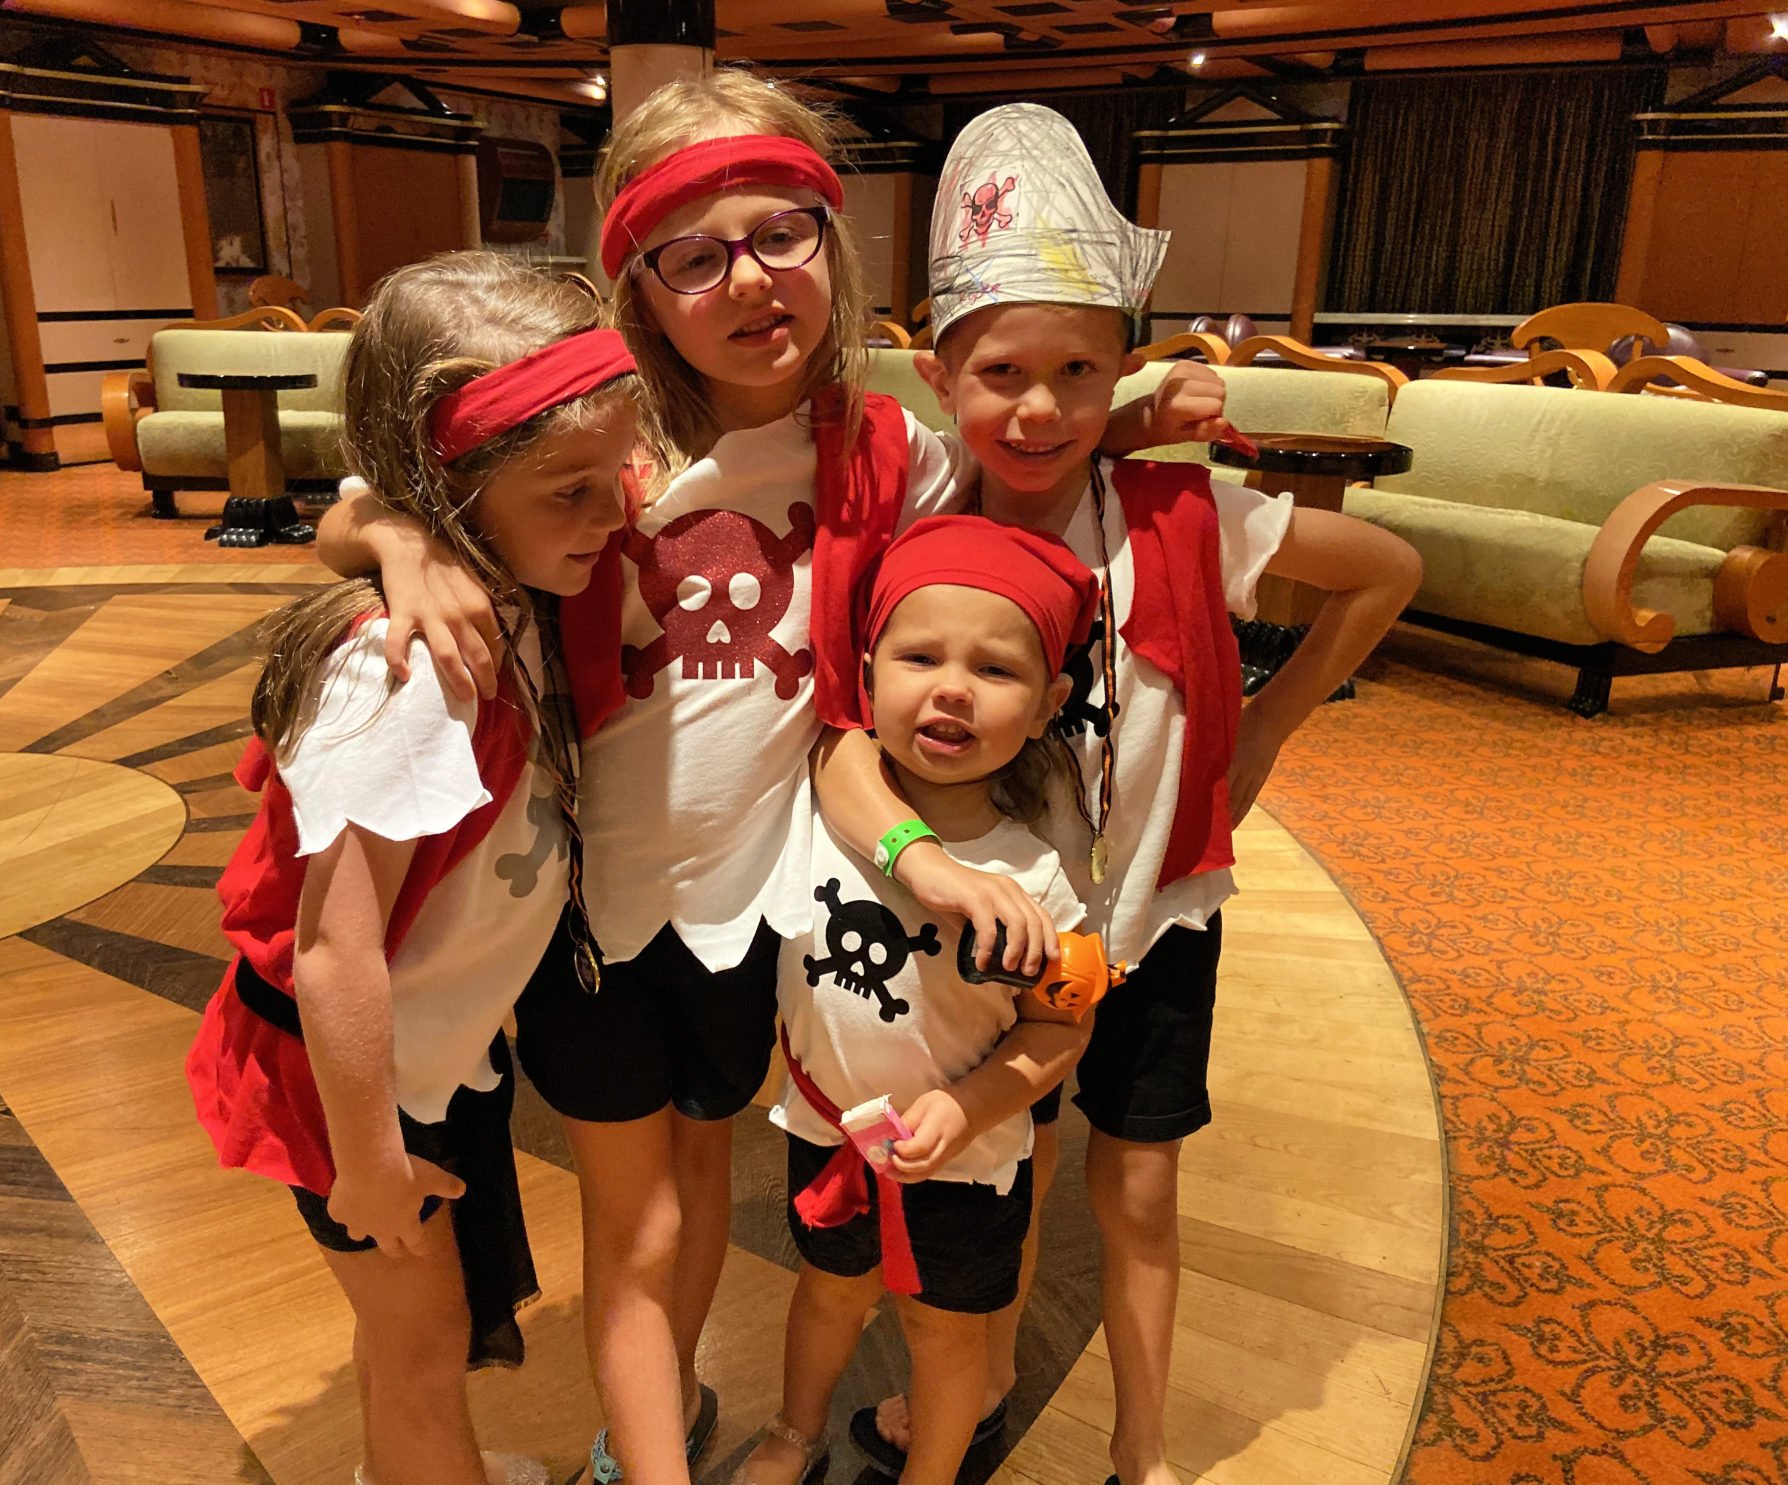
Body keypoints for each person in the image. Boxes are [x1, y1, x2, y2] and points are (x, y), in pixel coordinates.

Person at [312, 71, 1234, 1485]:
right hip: (589, 911)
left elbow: (1020, 440)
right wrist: (393, 542)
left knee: (696, 1184)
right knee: (642, 1222)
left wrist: (1126, 416)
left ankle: (669, 1405)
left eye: (783, 234)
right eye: (693, 252)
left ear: (833, 244)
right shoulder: (604, 437)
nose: (748, 279)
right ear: (638, 279)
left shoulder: (888, 455)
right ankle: (652, 1425)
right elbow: (381, 491)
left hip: (766, 906)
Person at [815, 105, 1423, 1485]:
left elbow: (1383, 570)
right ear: (938, 370)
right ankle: (982, 1384)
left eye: (1080, 373)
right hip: (996, 919)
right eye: (1003, 372)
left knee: (1138, 1184)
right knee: (993, 1166)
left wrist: (1262, 733)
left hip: (1154, 913)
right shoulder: (920, 529)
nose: (1038, 407)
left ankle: (1142, 1450)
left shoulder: (1182, 517)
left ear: (1121, 371)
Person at [183, 252, 638, 1485]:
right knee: (423, 1342)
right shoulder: (401, 675)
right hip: (349, 1087)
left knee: (415, 1336)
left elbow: (356, 501)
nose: (615, 515)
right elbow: (334, 948)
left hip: (420, 1061)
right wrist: (369, 1157)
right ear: (452, 491)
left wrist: (390, 526)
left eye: (621, 475)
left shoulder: (503, 568)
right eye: (572, 490)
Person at [736, 515, 1100, 1485]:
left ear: (1049, 701)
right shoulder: (818, 806)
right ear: (868, 668)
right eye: (920, 655)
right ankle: (790, 1431)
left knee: (947, 1336)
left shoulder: (1044, 881)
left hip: (969, 1163)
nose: (950, 686)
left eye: (995, 670)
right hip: (826, 1133)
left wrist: (969, 1105)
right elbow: (826, 746)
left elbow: (1064, 1029)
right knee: (825, 1293)